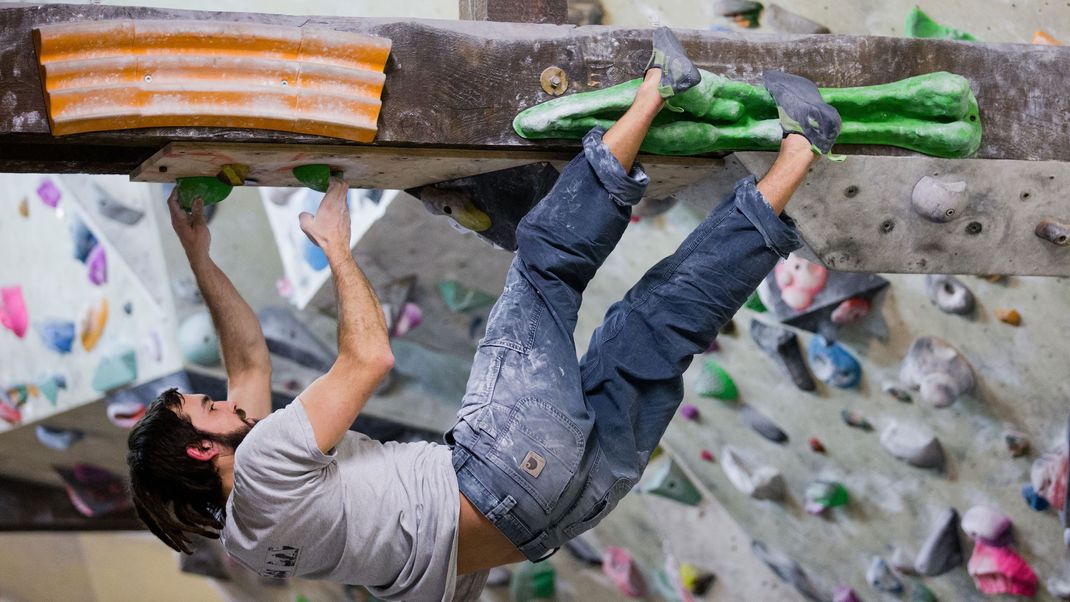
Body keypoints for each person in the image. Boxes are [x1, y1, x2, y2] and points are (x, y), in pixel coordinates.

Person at [127, 27, 840, 601]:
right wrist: (337, 250)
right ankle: (658, 86)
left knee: (659, 330)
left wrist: (198, 254)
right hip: (500, 468)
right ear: (200, 449)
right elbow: (369, 358)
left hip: (571, 509)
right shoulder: (267, 466)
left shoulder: (255, 539)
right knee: (543, 268)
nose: (222, 399)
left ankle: (802, 143)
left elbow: (248, 361)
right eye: (205, 407)